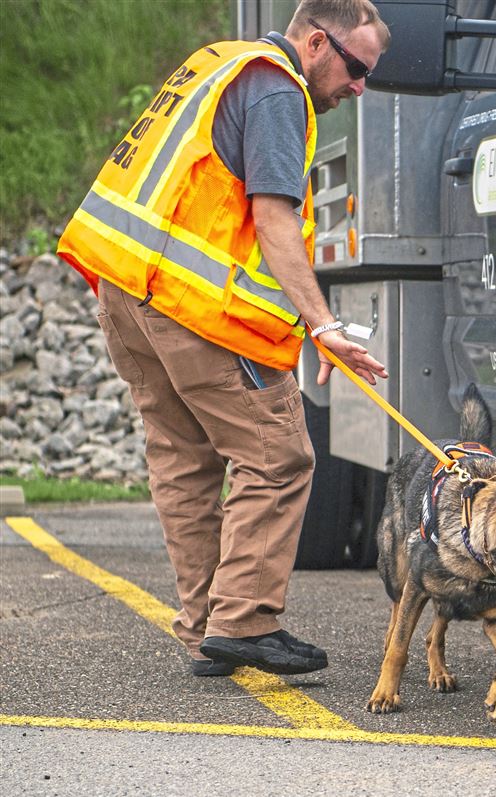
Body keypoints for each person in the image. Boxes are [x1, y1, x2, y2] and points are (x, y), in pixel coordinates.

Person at [56, 0, 390, 677]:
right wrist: (323, 328)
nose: (360, 87)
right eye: (357, 70)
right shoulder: (277, 90)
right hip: (191, 306)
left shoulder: (217, 61)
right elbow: (272, 221)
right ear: (319, 43)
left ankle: (206, 627)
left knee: (184, 461)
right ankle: (244, 620)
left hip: (126, 288)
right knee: (279, 456)